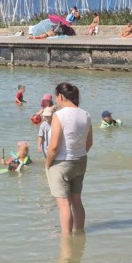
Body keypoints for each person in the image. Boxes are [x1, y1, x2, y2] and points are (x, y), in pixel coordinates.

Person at [46, 81, 93, 235]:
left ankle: (66, 240)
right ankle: (80, 234)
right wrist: (78, 154)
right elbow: (89, 142)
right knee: (77, 201)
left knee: (64, 204)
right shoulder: (85, 114)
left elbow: (53, 147)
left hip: (62, 163)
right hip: (80, 161)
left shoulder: (59, 115)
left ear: (60, 96)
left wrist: (47, 163)